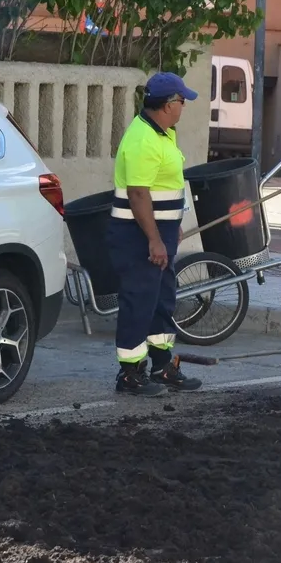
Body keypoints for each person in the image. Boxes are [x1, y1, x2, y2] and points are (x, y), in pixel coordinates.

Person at [105, 72, 202, 396]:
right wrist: (155, 239)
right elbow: (138, 194)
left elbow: (161, 188)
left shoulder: (162, 133)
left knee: (161, 301)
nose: (184, 106)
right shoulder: (143, 139)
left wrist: (171, 227)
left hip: (158, 233)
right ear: (168, 104)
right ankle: (130, 374)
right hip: (138, 237)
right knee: (139, 302)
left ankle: (162, 366)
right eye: (182, 101)